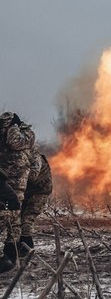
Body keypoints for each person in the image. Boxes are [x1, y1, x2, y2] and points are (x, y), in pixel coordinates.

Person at [0, 113, 35, 273]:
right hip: (7, 182)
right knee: (9, 219)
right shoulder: (11, 136)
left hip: (15, 184)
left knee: (14, 221)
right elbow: (17, 142)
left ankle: (9, 258)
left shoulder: (21, 137)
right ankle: (8, 258)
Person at [19, 149, 52, 255]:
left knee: (27, 220)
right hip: (25, 191)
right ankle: (19, 246)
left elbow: (33, 176)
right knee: (17, 218)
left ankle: (27, 249)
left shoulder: (34, 156)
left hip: (40, 190)